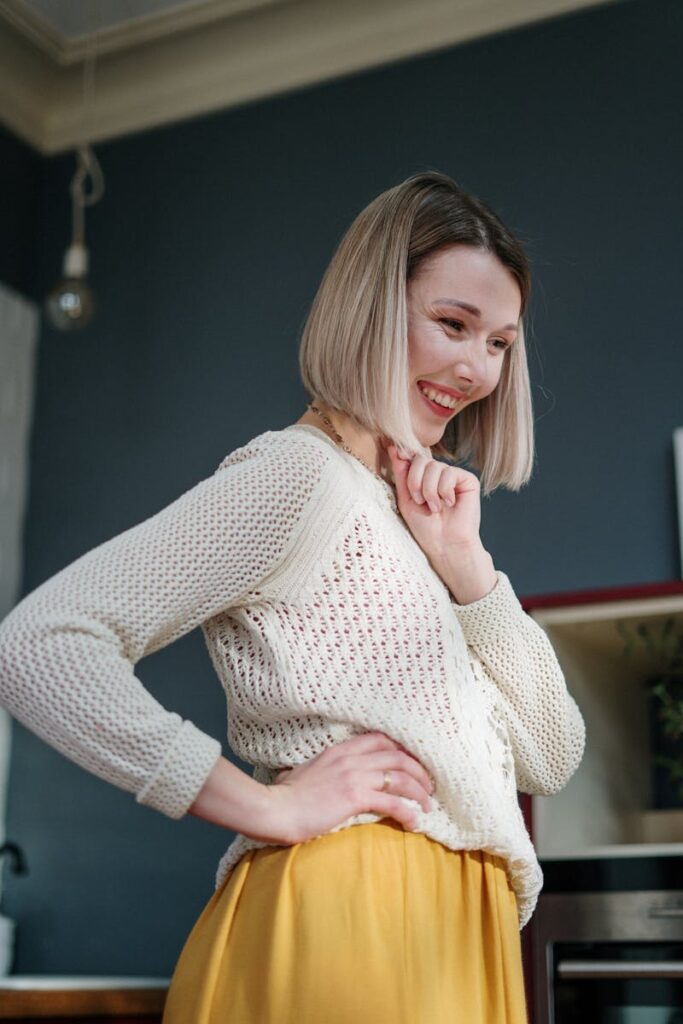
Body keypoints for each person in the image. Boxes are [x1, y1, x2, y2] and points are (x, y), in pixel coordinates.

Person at [0, 170, 586, 1023]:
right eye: (452, 324)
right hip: (353, 922)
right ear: (372, 310)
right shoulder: (299, 476)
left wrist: (466, 566)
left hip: (456, 938)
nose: (475, 368)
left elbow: (553, 753)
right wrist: (267, 804)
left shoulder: (417, 526)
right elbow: (39, 646)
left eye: (499, 342)